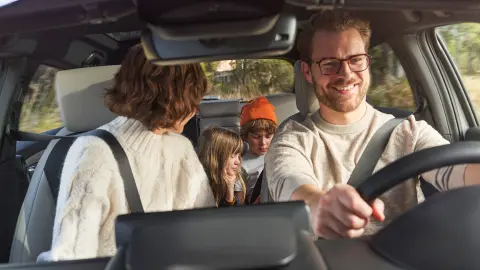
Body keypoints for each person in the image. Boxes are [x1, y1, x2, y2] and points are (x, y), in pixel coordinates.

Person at [265, 10, 480, 239]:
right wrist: (319, 206)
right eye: (330, 64)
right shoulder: (291, 139)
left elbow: (459, 172)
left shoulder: (410, 132)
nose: (346, 74)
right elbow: (292, 185)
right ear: (308, 72)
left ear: (366, 63)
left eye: (356, 60)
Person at [38, 44, 216, 261]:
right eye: (191, 97)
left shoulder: (182, 148)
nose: (195, 109)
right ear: (171, 96)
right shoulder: (93, 152)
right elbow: (71, 258)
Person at [239, 96, 277, 204]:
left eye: (268, 136)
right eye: (256, 137)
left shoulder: (279, 156)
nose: (263, 143)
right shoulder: (241, 165)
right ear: (245, 136)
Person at [197, 127, 247, 206]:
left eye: (238, 155)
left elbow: (233, 214)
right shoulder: (199, 183)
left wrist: (230, 190)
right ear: (217, 156)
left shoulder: (236, 177)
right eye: (232, 156)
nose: (237, 161)